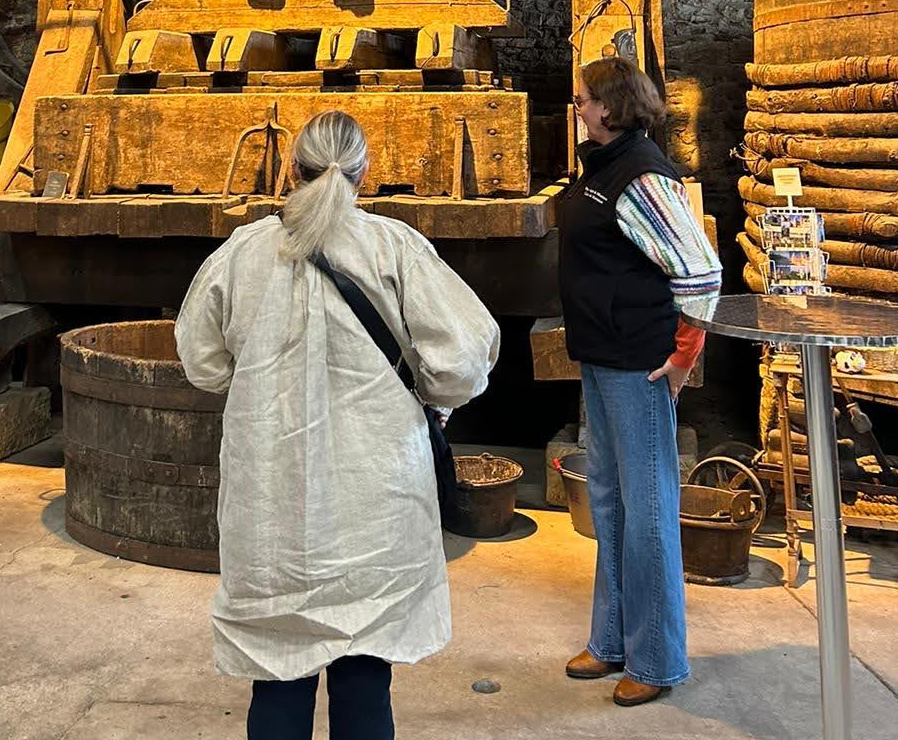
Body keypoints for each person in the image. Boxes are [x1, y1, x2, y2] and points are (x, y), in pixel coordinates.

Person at [176, 109, 500, 740]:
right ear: (363, 173)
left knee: (278, 670)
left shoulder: (242, 251)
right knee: (365, 674)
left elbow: (203, 364)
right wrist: (434, 397)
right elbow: (462, 359)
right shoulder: (394, 247)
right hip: (376, 501)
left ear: (290, 170)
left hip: (271, 502)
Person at [558, 57, 721, 708]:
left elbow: (700, 271)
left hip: (637, 365)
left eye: (582, 100)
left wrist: (683, 357)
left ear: (609, 106)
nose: (577, 109)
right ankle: (611, 640)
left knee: (647, 511)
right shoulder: (605, 166)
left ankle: (655, 658)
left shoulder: (644, 175)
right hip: (602, 358)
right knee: (609, 502)